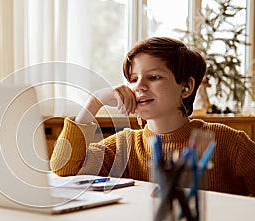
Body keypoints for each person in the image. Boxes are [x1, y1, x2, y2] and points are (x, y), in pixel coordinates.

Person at [50, 36, 255, 196]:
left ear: (186, 87)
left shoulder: (228, 142)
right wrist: (94, 102)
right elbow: (64, 167)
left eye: (154, 77)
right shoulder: (125, 145)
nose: (139, 86)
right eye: (133, 79)